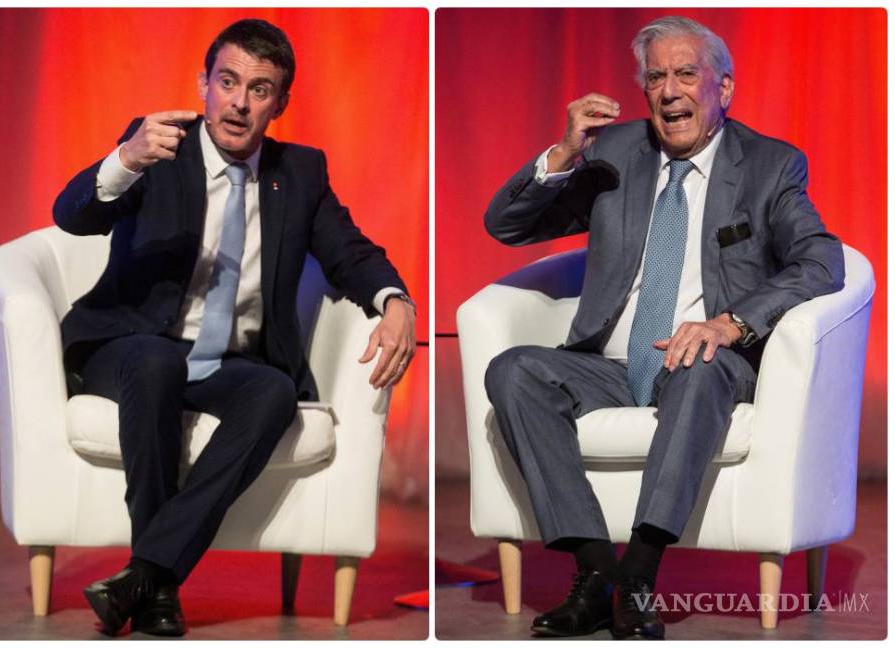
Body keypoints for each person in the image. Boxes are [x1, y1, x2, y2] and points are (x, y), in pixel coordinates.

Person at [483, 15, 843, 640]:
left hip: (706, 361)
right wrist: (564, 152)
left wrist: (731, 324)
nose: (669, 91)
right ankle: (597, 573)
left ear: (722, 88)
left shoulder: (769, 166)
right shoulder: (615, 154)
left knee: (699, 364)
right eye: (655, 78)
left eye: (685, 74)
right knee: (513, 371)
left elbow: (821, 260)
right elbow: (508, 225)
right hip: (609, 363)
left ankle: (639, 575)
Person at [53, 18, 416, 637]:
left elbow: (350, 253)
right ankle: (159, 584)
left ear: (280, 103)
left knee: (274, 391)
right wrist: (125, 160)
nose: (239, 103)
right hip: (128, 346)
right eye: (227, 82)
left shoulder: (299, 172)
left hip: (228, 362)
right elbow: (72, 215)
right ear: (204, 85)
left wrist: (396, 301)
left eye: (259, 89)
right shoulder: (157, 148)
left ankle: (147, 577)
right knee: (156, 363)